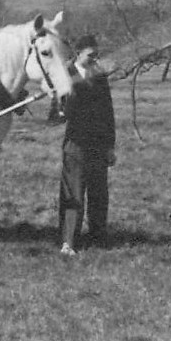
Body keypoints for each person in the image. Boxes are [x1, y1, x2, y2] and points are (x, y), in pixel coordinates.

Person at [57, 34, 116, 256]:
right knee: (73, 192)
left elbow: (108, 111)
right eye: (91, 54)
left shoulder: (99, 75)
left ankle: (98, 237)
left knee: (99, 193)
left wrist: (110, 146)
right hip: (75, 144)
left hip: (98, 143)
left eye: (96, 54)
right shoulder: (63, 73)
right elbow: (57, 109)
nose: (94, 58)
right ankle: (68, 241)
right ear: (78, 53)